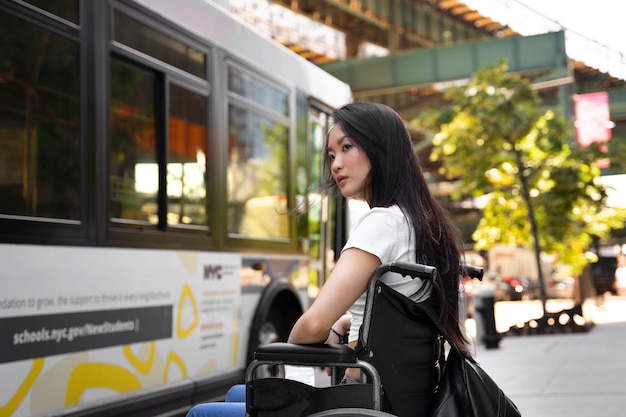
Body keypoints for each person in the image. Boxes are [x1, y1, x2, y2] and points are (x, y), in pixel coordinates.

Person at [287, 102, 469, 416]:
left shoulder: (381, 223)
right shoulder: (420, 223)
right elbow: (397, 313)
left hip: (361, 400)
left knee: (206, 411)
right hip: (394, 398)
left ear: (379, 148)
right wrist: (351, 323)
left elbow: (313, 324)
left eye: (347, 147)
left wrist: (290, 344)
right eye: (331, 155)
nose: (336, 164)